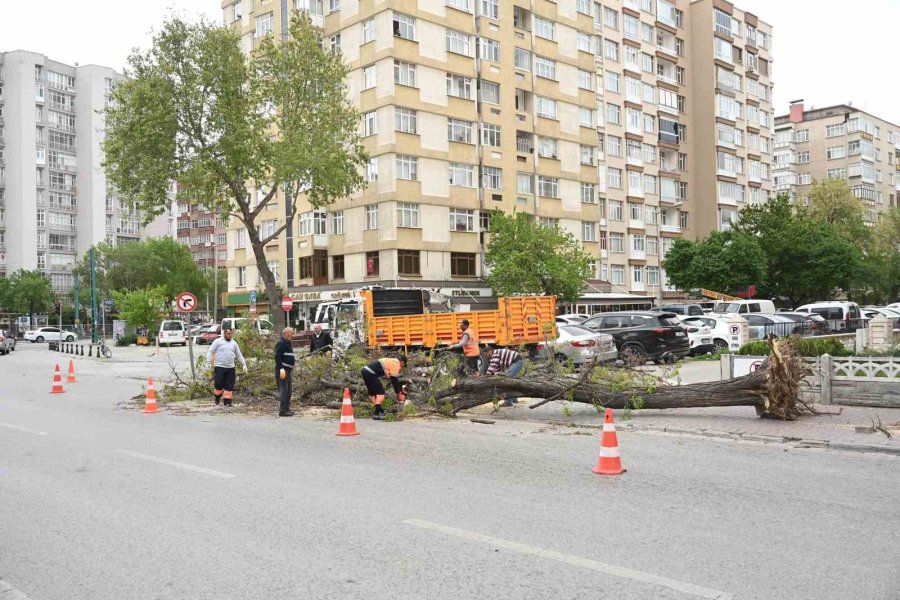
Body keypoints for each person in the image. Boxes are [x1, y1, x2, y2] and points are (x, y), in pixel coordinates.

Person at [206, 327, 248, 407]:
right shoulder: (218, 342)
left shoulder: (234, 343)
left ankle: (227, 402)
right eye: (228, 334)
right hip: (219, 367)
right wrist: (208, 362)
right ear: (224, 333)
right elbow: (210, 351)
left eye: (231, 334)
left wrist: (244, 364)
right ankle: (217, 397)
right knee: (218, 384)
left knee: (229, 386)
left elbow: (238, 354)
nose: (230, 335)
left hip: (230, 368)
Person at [360, 355, 407, 420]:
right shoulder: (396, 364)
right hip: (371, 373)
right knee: (381, 393)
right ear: (402, 362)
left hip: (364, 371)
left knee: (373, 393)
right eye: (403, 365)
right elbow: (394, 380)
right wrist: (398, 393)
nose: (402, 367)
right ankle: (376, 414)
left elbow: (389, 376)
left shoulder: (390, 360)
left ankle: (380, 410)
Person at [274, 327, 296, 417]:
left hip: (288, 370)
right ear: (287, 333)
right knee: (284, 391)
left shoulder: (288, 342)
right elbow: (277, 356)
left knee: (289, 391)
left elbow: (287, 355)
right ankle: (282, 410)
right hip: (282, 370)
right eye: (292, 333)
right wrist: (281, 368)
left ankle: (287, 408)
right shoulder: (281, 343)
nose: (293, 335)